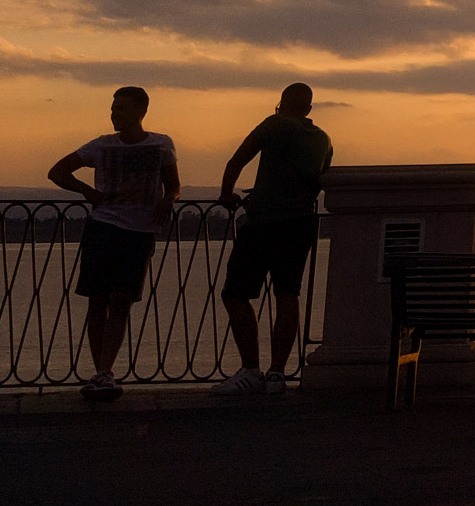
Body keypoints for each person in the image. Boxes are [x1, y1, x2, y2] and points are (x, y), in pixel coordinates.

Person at [48, 86, 180, 402]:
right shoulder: (101, 145)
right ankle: (102, 372)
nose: (114, 114)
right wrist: (89, 193)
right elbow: (57, 171)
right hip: (103, 228)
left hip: (139, 233)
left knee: (122, 301)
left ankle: (104, 370)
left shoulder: (161, 144)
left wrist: (168, 200)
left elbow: (173, 185)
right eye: (113, 109)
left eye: (121, 108)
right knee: (98, 300)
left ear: (140, 111)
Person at [212, 82, 333, 396]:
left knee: (235, 294)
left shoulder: (274, 124)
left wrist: (226, 194)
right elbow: (317, 180)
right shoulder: (323, 139)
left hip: (263, 223)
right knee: (288, 295)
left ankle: (251, 369)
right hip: (300, 224)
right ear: (309, 109)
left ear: (280, 104)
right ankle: (277, 374)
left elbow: (237, 161)